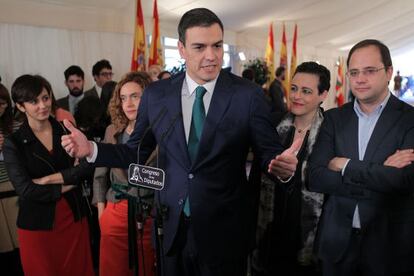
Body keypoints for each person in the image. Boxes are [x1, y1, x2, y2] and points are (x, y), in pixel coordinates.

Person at [61, 8, 300, 276]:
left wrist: (282, 166)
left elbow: (268, 153)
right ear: (182, 49)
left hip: (224, 230)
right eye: (200, 47)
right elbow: (134, 153)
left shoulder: (248, 96)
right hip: (170, 227)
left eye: (217, 45)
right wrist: (92, 149)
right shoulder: (157, 95)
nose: (211, 56)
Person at [308, 39, 414, 276]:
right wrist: (379, 173)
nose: (360, 79)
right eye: (354, 72)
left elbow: (402, 181)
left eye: (369, 71)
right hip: (336, 245)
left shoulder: (409, 120)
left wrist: (345, 165)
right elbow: (315, 177)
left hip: (388, 247)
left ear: (388, 72)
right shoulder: (334, 119)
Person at [3, 74, 94, 276]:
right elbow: (25, 189)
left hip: (74, 217)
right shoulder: (14, 143)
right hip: (37, 225)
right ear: (20, 106)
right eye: (33, 101)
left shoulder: (67, 129)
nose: (42, 105)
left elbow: (86, 169)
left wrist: (46, 180)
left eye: (45, 98)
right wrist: (69, 181)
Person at [252, 61, 330, 276]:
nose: (297, 96)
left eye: (306, 91)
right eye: (294, 88)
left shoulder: (330, 132)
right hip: (270, 226)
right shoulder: (274, 124)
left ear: (323, 95)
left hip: (307, 231)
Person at [92, 71, 155, 276]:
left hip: (150, 213)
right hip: (115, 210)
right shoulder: (112, 131)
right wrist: (102, 213)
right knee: (113, 270)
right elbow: (100, 175)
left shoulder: (161, 131)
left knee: (147, 269)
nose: (128, 103)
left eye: (135, 96)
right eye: (123, 98)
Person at [0, 83, 23, 275]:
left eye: (2, 104)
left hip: (14, 187)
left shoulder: (15, 127)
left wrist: (6, 149)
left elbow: (27, 158)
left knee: (20, 247)